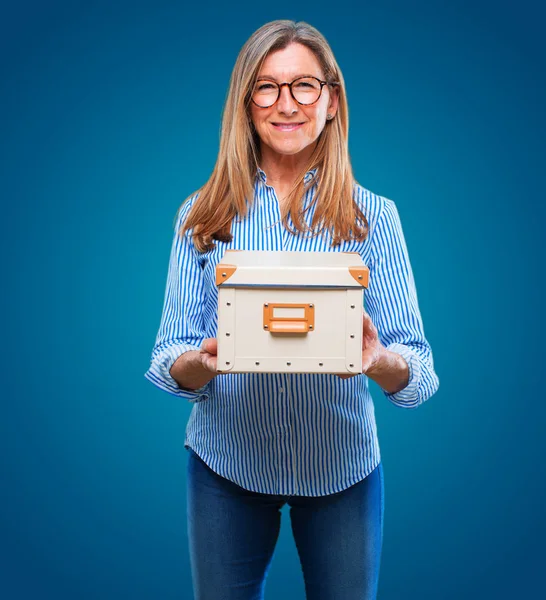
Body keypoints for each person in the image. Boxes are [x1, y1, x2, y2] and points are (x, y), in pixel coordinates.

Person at [144, 19, 439, 600]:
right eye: (267, 86)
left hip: (342, 470)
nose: (287, 104)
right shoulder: (201, 215)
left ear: (331, 99)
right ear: (245, 102)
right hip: (225, 467)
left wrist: (379, 360)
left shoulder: (374, 218)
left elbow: (420, 371)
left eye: (304, 85)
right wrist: (204, 362)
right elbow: (166, 357)